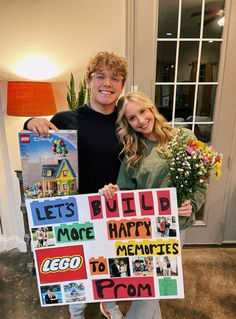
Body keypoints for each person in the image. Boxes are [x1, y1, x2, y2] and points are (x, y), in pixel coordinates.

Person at [23, 51, 128, 319]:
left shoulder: (127, 122)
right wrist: (31, 121)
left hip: (113, 205)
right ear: (89, 81)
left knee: (112, 256)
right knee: (76, 260)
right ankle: (77, 307)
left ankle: (109, 301)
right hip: (74, 208)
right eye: (100, 76)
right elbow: (39, 137)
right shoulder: (66, 118)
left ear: (122, 85)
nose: (107, 83)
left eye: (115, 78)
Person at [99, 91, 206, 319]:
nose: (140, 120)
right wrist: (112, 191)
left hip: (176, 225)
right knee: (151, 284)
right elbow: (125, 191)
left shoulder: (184, 137)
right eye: (132, 118)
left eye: (142, 111)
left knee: (154, 284)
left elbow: (201, 179)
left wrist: (192, 204)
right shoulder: (133, 152)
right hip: (146, 228)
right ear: (127, 123)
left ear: (151, 109)